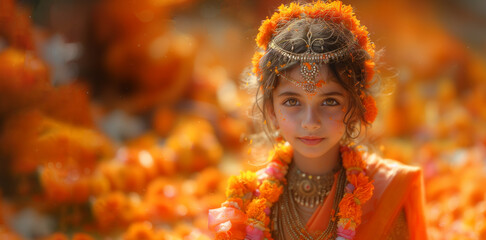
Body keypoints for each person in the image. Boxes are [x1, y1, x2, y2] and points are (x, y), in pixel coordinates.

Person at [208, 1, 427, 239]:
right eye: (292, 102)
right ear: (271, 110)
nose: (310, 122)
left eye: (329, 101)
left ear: (355, 108)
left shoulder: (386, 192)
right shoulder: (250, 200)